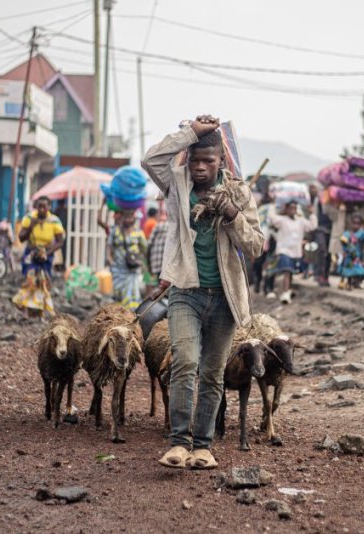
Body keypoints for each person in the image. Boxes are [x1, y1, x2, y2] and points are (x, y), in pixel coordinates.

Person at [142, 115, 263, 470]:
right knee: (184, 362)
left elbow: (255, 246)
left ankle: (203, 446)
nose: (199, 167)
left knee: (211, 374)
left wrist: (230, 214)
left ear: (220, 162)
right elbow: (150, 160)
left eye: (208, 161)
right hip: (185, 292)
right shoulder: (176, 184)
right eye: (195, 160)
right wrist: (190, 133)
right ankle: (178, 443)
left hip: (224, 299)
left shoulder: (238, 193)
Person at [13, 196, 65, 316]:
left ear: (49, 207)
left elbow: (60, 241)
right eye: (39, 206)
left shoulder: (54, 221)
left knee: (43, 282)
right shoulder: (29, 218)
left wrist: (47, 253)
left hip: (47, 253)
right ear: (36, 207)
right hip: (31, 252)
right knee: (31, 279)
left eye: (44, 207)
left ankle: (37, 311)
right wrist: (32, 226)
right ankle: (23, 305)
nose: (41, 209)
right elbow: (21, 238)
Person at [268, 201, 317, 304]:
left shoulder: (301, 221)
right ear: (286, 209)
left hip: (296, 252)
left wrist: (312, 213)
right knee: (287, 271)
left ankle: (288, 290)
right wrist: (272, 205)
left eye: (294, 208)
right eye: (290, 208)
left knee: (290, 273)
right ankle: (285, 293)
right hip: (284, 250)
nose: (292, 210)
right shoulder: (282, 220)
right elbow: (272, 219)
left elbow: (312, 226)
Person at [108, 209, 148, 310]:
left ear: (134, 219)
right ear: (122, 218)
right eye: (126, 217)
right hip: (118, 269)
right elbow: (109, 248)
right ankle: (119, 316)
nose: (128, 220)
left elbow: (145, 249)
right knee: (118, 294)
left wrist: (139, 260)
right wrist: (110, 260)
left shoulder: (138, 233)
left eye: (130, 217)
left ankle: (130, 316)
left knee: (132, 295)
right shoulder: (115, 231)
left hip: (132, 271)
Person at [338, 214, 364, 290]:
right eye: (354, 223)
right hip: (349, 255)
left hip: (357, 255)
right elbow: (343, 241)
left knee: (359, 271)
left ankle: (355, 282)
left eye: (358, 223)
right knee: (347, 270)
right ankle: (346, 282)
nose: (355, 225)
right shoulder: (347, 234)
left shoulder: (362, 233)